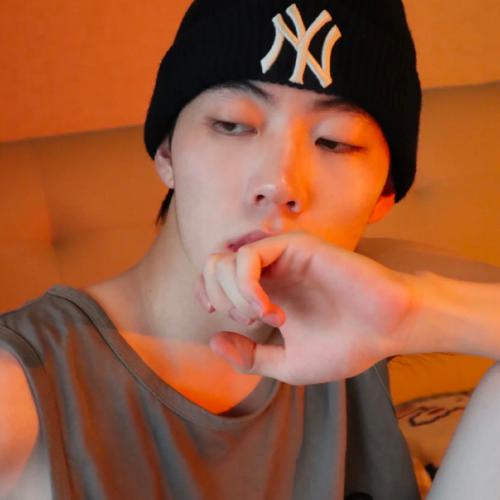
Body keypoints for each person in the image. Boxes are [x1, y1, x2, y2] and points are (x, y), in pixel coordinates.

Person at [0, 0, 497, 498]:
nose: (278, 184)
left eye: (334, 142)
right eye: (232, 125)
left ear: (384, 193)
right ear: (168, 152)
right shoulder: (21, 385)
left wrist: (408, 316)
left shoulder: (374, 287)